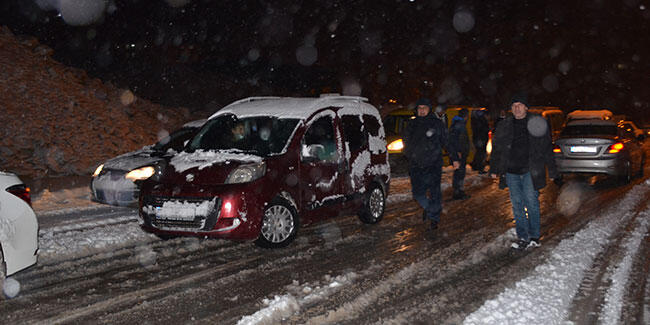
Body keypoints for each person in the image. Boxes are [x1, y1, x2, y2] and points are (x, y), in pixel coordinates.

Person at [489, 93, 558, 250]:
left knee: (531, 202)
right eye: (514, 106)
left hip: (530, 170)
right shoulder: (505, 125)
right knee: (517, 204)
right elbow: (497, 148)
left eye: (520, 105)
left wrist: (553, 170)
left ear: (526, 107)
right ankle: (523, 237)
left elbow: (547, 147)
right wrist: (494, 168)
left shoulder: (537, 123)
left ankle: (534, 236)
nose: (517, 108)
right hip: (511, 171)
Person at [403, 98, 454, 232]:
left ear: (429, 109)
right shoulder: (411, 124)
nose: (421, 111)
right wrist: (409, 154)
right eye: (419, 108)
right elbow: (406, 141)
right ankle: (429, 208)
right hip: (416, 165)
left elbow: (446, 141)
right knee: (418, 193)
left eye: (424, 108)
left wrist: (454, 157)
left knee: (434, 193)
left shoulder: (436, 124)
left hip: (433, 164)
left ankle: (434, 219)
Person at [449, 108, 471, 200]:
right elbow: (455, 140)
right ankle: (458, 193)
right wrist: (459, 151)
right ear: (466, 116)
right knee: (460, 173)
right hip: (459, 154)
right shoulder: (459, 125)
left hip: (459, 153)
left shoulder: (456, 123)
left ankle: (458, 191)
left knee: (459, 173)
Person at [470, 108, 490, 173]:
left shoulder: (475, 120)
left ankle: (476, 165)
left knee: (479, 152)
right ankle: (479, 167)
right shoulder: (482, 121)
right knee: (481, 153)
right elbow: (484, 129)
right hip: (481, 139)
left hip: (478, 138)